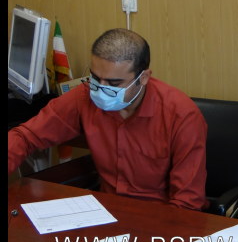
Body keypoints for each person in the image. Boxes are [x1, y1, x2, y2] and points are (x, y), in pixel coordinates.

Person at [8, 28, 208, 211]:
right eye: (95, 78)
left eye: (114, 83)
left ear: (143, 78)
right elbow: (25, 136)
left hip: (158, 216)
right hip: (105, 211)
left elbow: (187, 202)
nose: (101, 89)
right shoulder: (84, 96)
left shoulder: (182, 116)